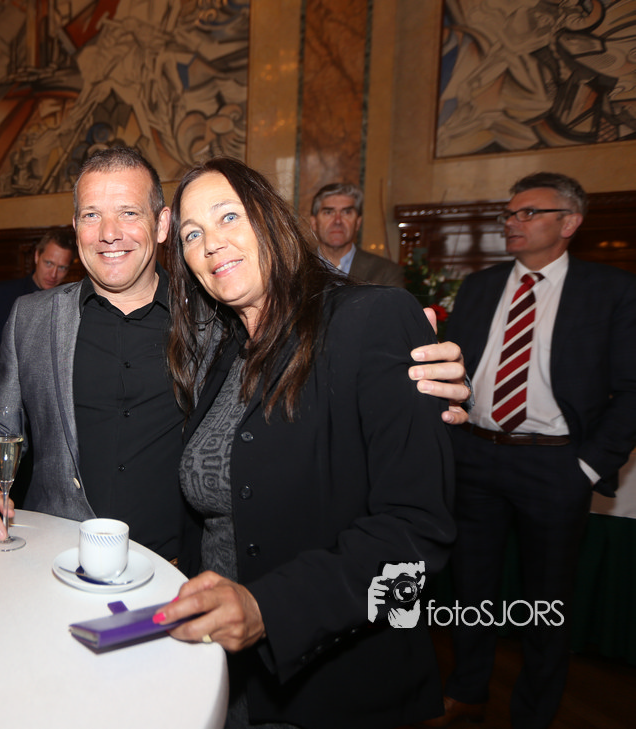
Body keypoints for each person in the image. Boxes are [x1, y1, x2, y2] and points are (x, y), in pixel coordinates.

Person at [0, 147, 468, 567]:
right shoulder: (33, 317)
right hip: (56, 557)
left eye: (128, 213)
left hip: (177, 570)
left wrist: (414, 380)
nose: (109, 233)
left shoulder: (218, 315)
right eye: (91, 215)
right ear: (75, 229)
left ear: (162, 225)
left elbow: (308, 341)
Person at [147, 157, 454, 729]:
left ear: (271, 220)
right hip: (222, 665)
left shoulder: (370, 318)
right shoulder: (220, 350)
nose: (212, 243)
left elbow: (416, 531)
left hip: (328, 680)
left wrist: (268, 608)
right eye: (192, 234)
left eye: (229, 216)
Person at [422, 172, 636, 729]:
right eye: (510, 214)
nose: (512, 223)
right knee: (470, 587)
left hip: (555, 465)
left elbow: (632, 390)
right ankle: (467, 691)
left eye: (528, 213)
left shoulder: (611, 290)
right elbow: (457, 370)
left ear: (569, 223)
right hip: (475, 456)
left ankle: (535, 713)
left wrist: (586, 467)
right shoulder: (481, 285)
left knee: (547, 598)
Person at [0, 231, 76, 385]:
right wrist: (15, 359)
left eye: (62, 268)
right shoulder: (1, 293)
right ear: (37, 256)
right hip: (3, 392)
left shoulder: (70, 305)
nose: (53, 274)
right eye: (48, 263)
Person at [310, 182, 404, 287]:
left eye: (346, 212)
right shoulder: (298, 269)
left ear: (358, 223)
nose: (337, 221)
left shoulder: (385, 272)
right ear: (314, 223)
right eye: (328, 212)